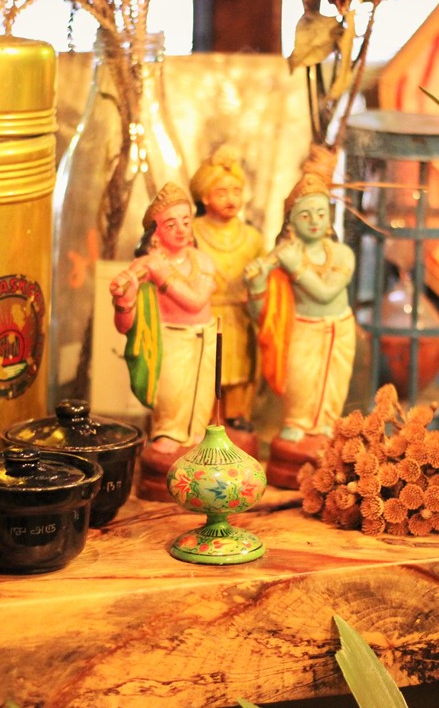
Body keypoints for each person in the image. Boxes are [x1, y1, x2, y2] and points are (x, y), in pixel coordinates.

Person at [245, 172, 356, 484]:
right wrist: (256, 283)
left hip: (339, 329)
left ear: (329, 217)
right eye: (305, 215)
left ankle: (327, 424)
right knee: (300, 381)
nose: (314, 221)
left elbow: (326, 293)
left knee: (333, 384)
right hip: (301, 329)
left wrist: (296, 268)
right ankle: (296, 422)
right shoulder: (282, 255)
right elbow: (262, 314)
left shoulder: (342, 254)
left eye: (321, 213)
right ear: (291, 222)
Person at [110, 183, 218, 499]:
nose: (181, 229)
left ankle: (196, 435)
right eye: (171, 224)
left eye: (186, 221)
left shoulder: (202, 261)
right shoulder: (147, 265)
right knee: (171, 393)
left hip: (204, 337)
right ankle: (167, 433)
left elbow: (196, 301)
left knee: (201, 396)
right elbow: (124, 325)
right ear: (155, 232)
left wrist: (162, 274)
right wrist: (124, 297)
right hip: (170, 340)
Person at [189, 145, 265, 431]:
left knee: (240, 364)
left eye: (236, 191)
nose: (231, 199)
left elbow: (264, 276)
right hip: (204, 314)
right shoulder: (192, 232)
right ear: (205, 197)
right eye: (221, 193)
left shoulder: (253, 238)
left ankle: (235, 414)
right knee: (207, 366)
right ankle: (205, 415)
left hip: (239, 315)